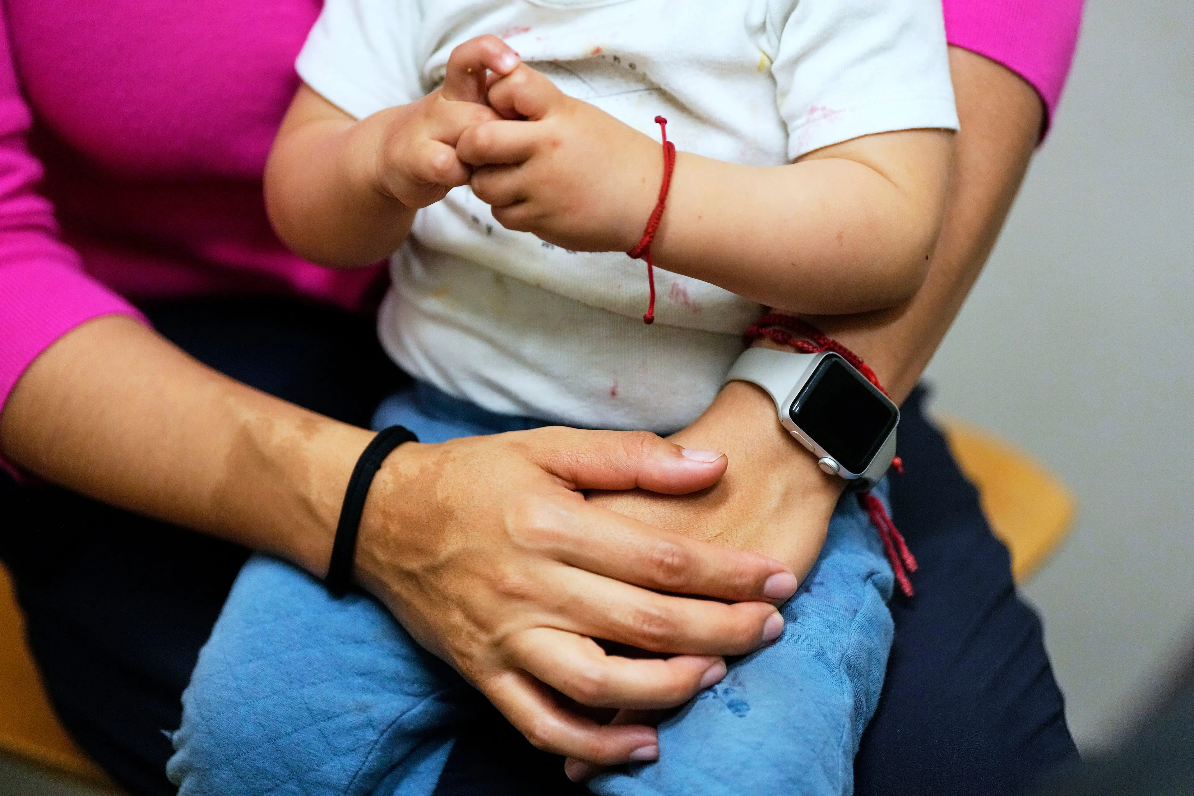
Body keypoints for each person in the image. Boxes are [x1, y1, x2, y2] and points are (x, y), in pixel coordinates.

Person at [0, 1, 1081, 795]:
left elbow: (890, 238)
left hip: (740, 444)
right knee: (250, 727)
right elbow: (308, 190)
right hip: (439, 416)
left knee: (753, 769)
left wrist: (647, 198)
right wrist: (377, 161)